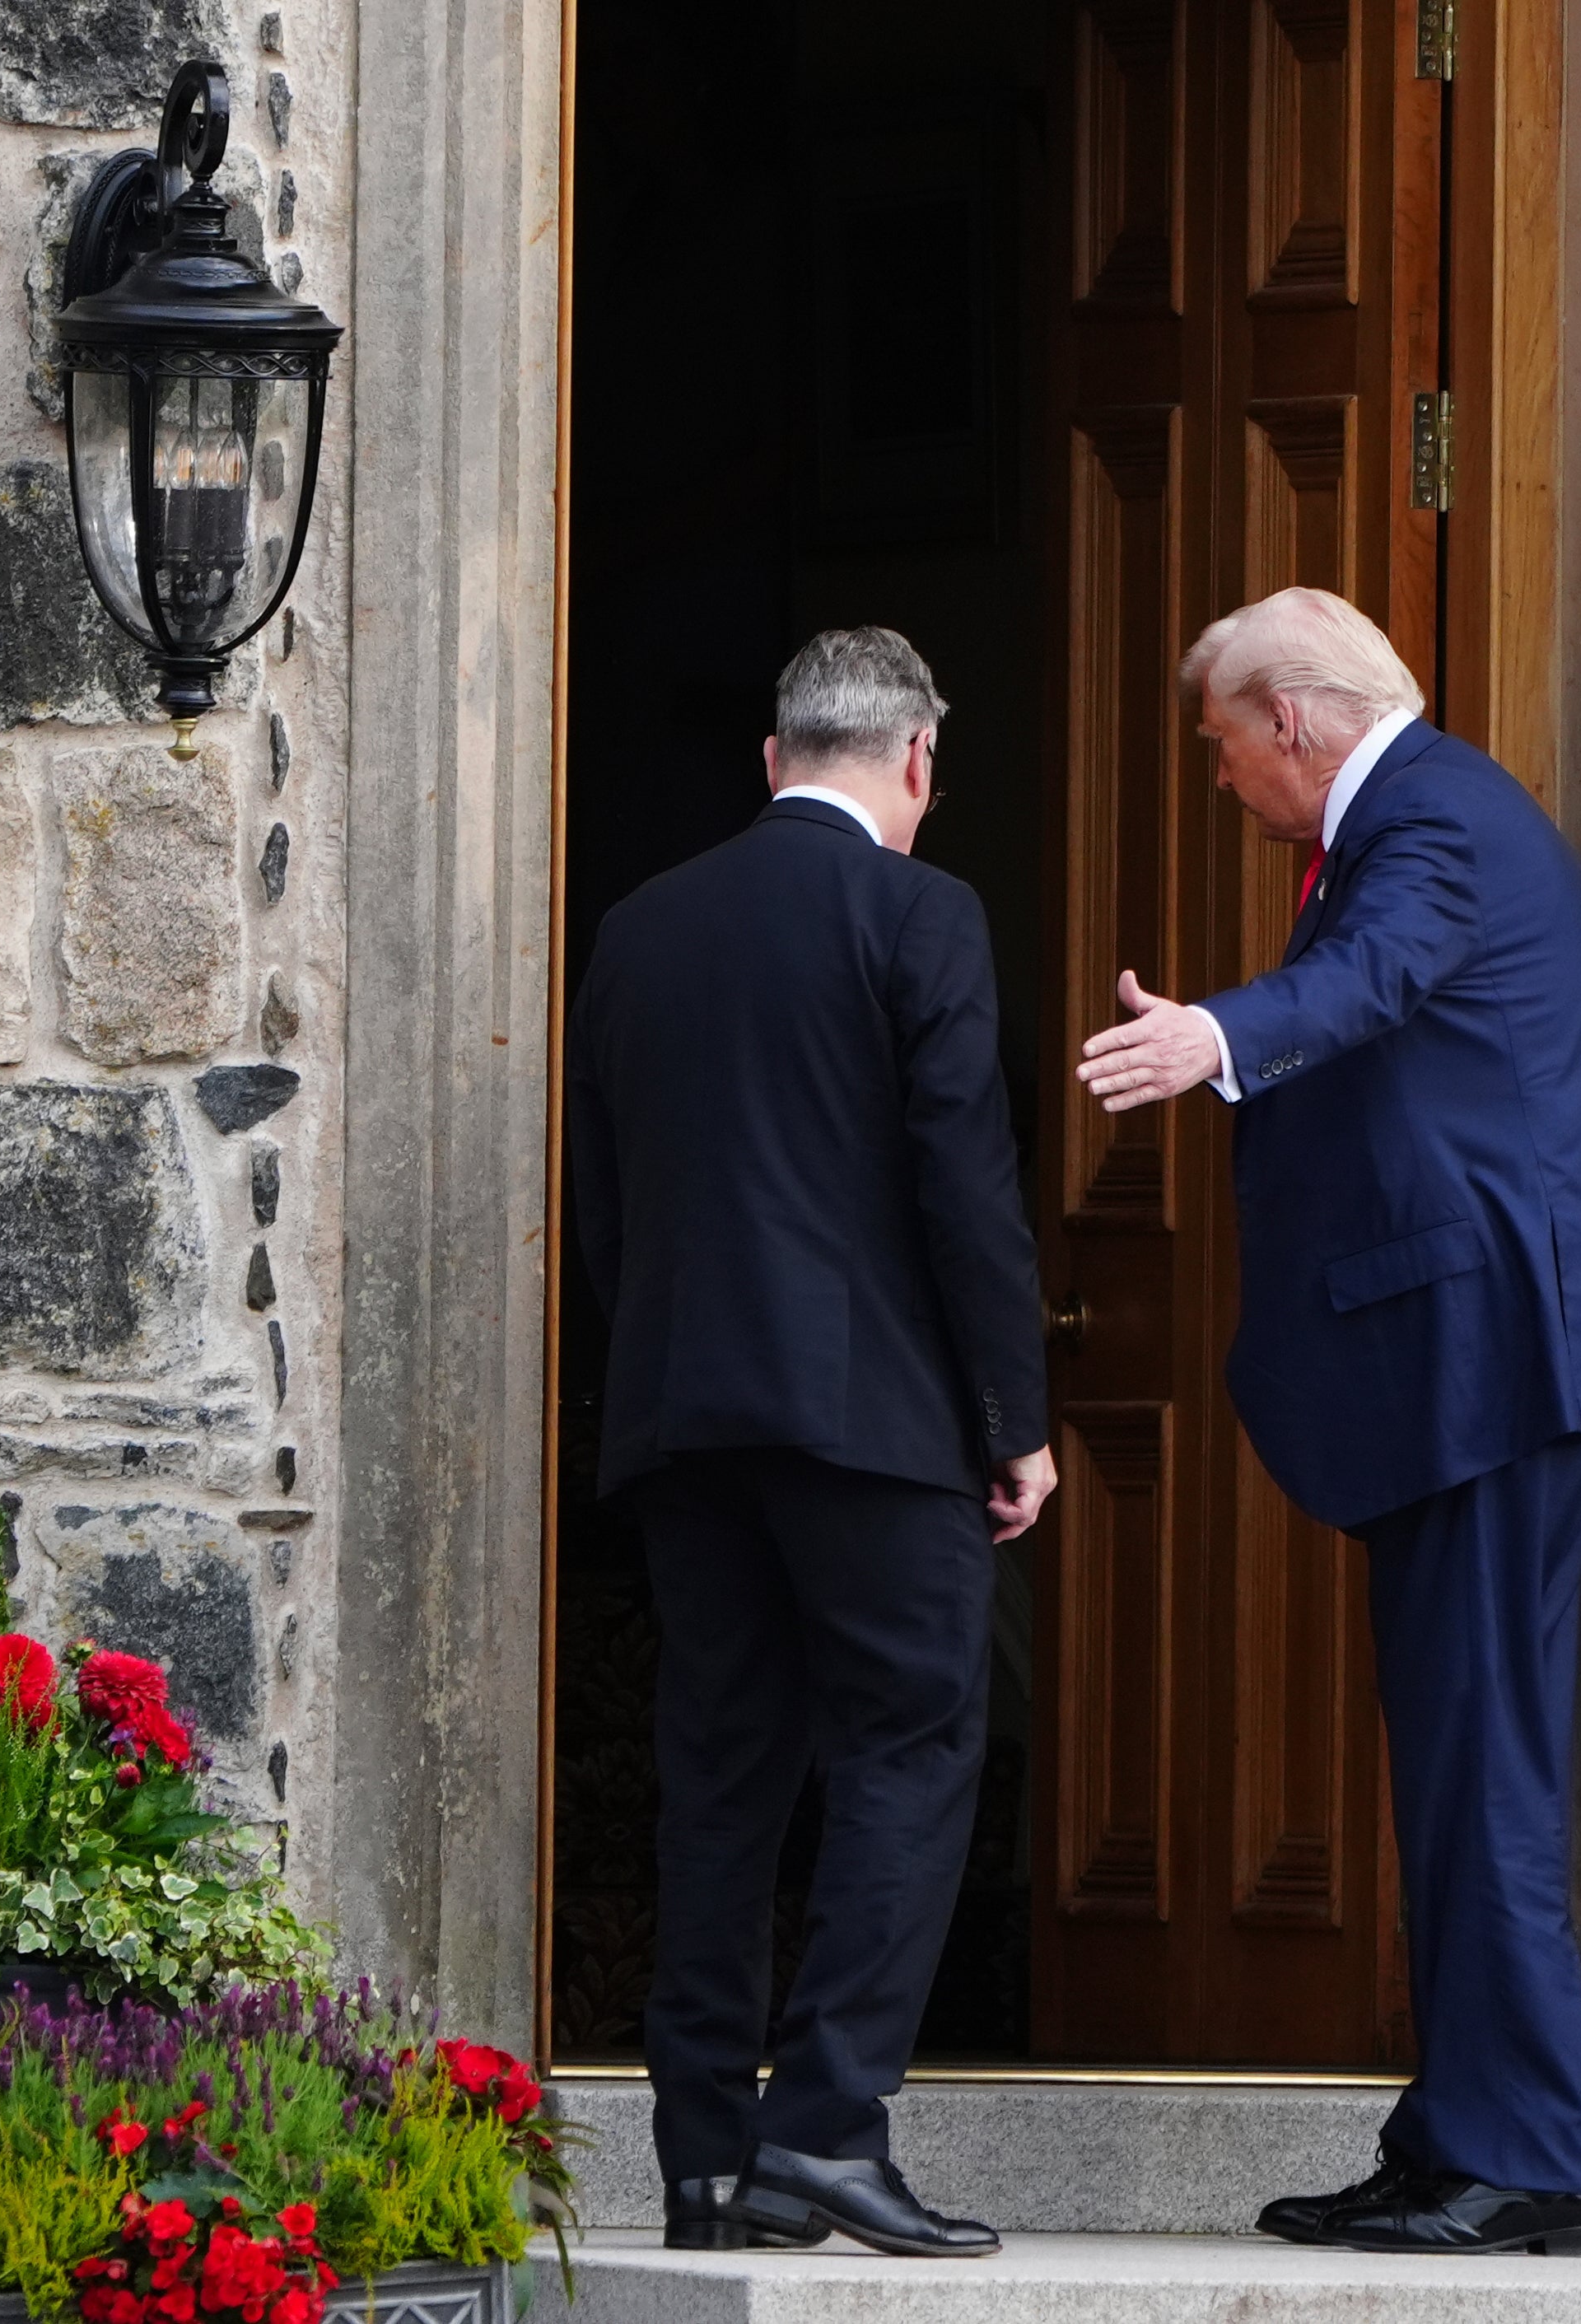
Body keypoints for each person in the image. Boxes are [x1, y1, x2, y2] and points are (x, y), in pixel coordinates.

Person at [1075, 587, 1581, 2257]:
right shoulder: (1418, 817)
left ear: (1292, 717)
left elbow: (1378, 974)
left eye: (1218, 744)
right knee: (1449, 1758)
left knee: (1481, 1759)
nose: (1217, 779)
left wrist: (1215, 1033)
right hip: (1479, 1367)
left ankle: (1538, 2159)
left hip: (1505, 1365)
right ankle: (1459, 2134)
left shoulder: (1432, 820)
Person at [569, 626, 1053, 2261]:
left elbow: (608, 1205)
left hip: (685, 1417)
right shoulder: (922, 911)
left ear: (773, 760)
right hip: (873, 1425)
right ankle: (830, 2128)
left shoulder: (642, 926)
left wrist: (649, 1391)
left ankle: (705, 2158)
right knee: (912, 1746)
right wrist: (1013, 1421)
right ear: (915, 759)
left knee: (719, 1777)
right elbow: (961, 1187)